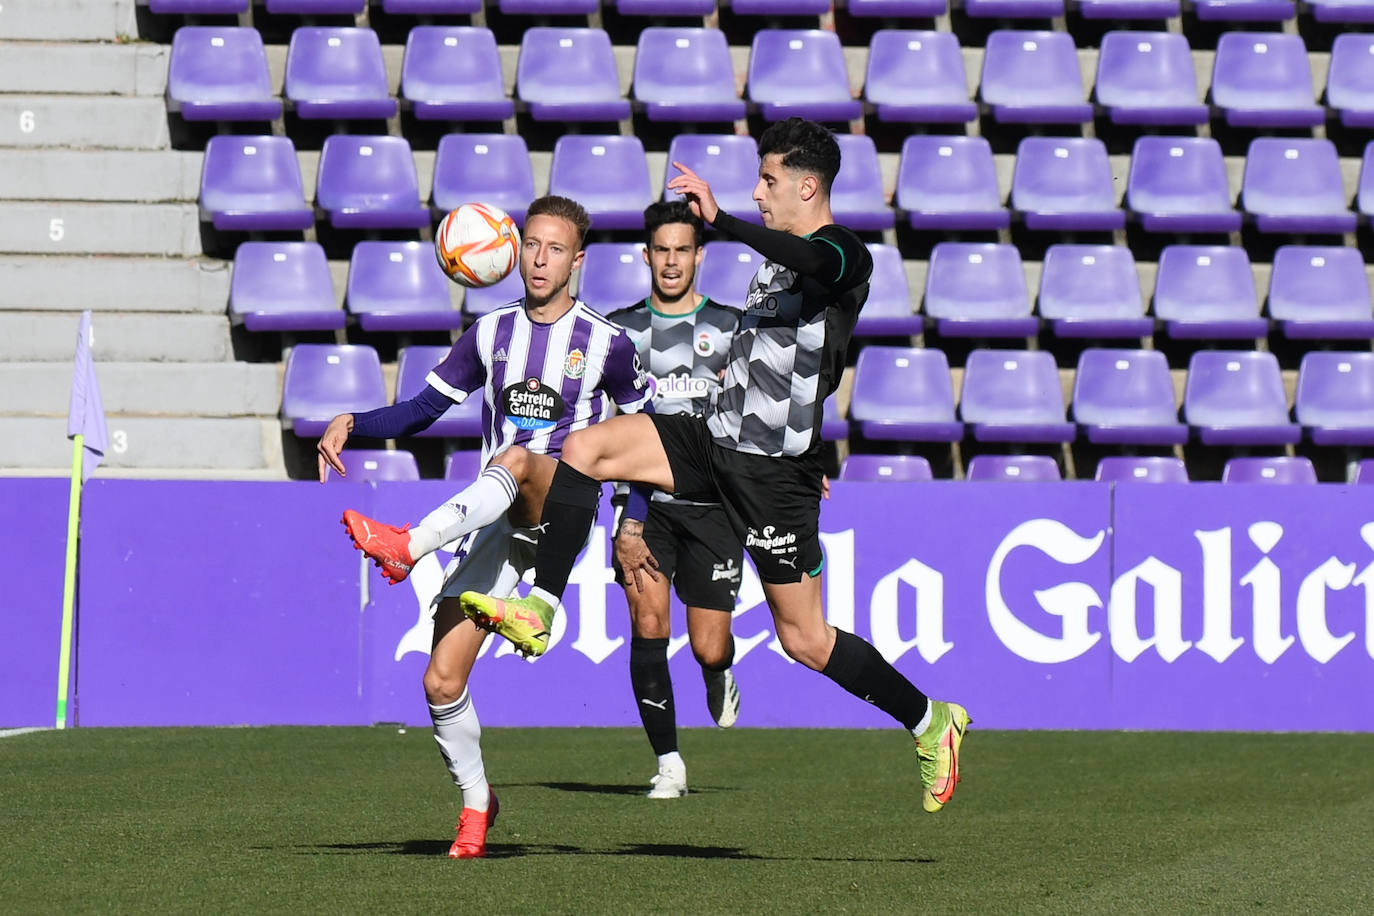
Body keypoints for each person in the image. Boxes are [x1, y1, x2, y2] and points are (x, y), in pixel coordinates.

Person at [460, 119, 972, 815]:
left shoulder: (844, 253)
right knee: (587, 449)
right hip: (713, 440)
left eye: (769, 181)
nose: (760, 193)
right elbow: (792, 368)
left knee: (805, 640)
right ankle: (541, 608)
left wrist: (723, 219)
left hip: (769, 476)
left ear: (807, 185)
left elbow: (818, 294)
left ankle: (930, 721)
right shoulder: (775, 264)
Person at [315, 195, 654, 858]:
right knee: (441, 680)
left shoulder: (608, 344)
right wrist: (354, 421)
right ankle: (477, 804)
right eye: (531, 244)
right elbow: (418, 412)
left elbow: (648, 439)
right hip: (494, 520)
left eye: (555, 249)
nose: (538, 259)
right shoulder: (491, 334)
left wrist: (632, 519)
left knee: (522, 458)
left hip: (560, 508)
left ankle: (407, 546)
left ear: (578, 260)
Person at [605, 200, 746, 798]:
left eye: (681, 250)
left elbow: (763, 408)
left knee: (709, 645)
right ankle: (669, 762)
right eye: (660, 250)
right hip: (644, 505)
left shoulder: (735, 327)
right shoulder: (620, 332)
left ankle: (718, 672)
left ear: (699, 256)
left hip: (715, 505)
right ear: (646, 256)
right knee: (648, 621)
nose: (670, 260)